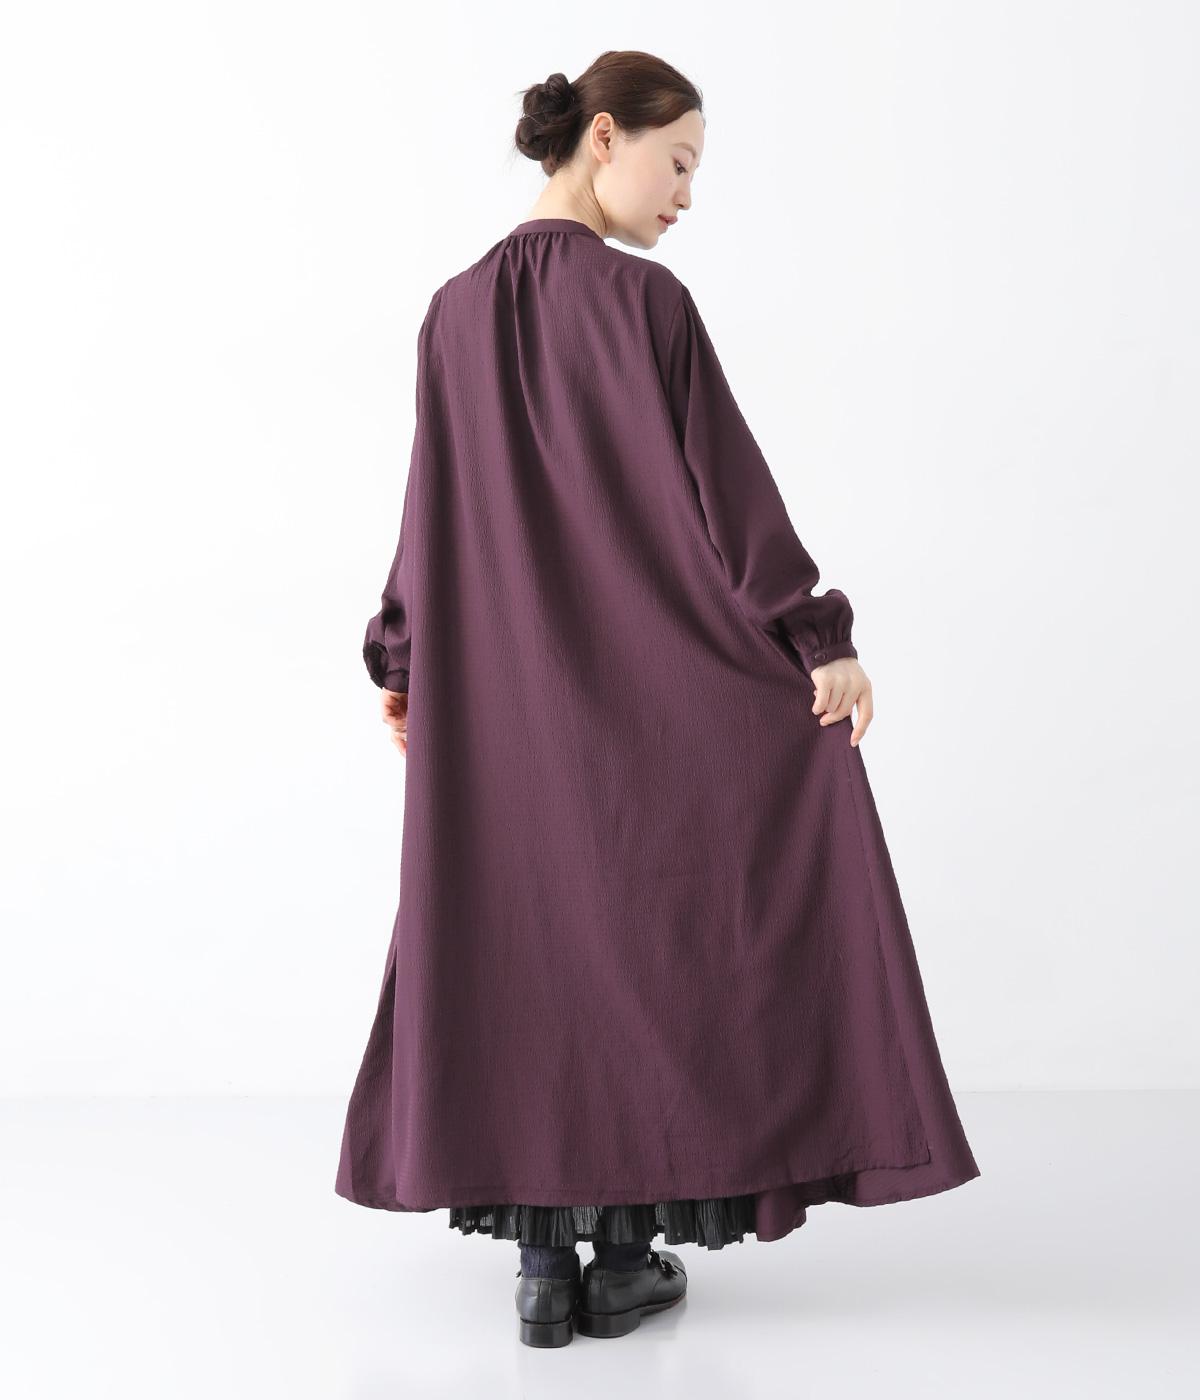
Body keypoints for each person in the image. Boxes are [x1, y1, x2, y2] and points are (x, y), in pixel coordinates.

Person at [335, 50, 981, 1348]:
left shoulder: (452, 314)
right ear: (604, 139)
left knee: (519, 936)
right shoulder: (646, 304)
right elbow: (726, 495)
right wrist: (815, 639)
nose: (687, 195)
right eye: (678, 163)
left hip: (498, 702)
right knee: (647, 938)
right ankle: (623, 1262)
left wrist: (404, 658)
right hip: (644, 685)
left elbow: (425, 509)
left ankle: (543, 1274)